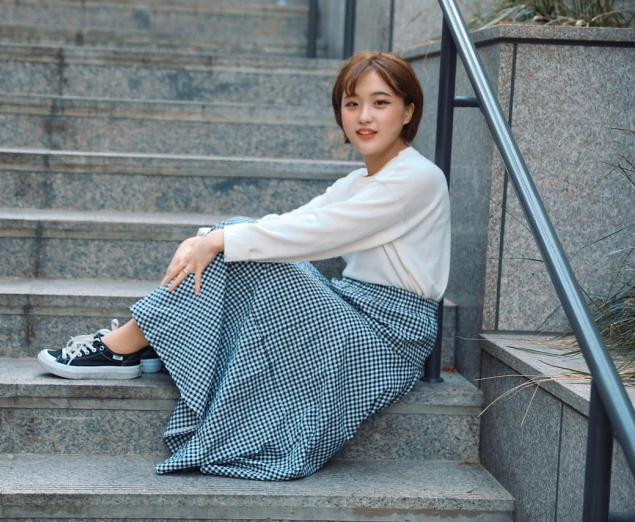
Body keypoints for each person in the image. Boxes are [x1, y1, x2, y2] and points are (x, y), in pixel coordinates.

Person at [37, 50, 451, 481]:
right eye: (351, 104)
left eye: (380, 102)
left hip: (386, 340)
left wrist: (219, 239)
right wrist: (206, 238)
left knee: (238, 241)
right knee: (236, 239)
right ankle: (142, 339)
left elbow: (315, 234)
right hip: (355, 308)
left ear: (408, 111)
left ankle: (124, 346)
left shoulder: (417, 178)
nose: (364, 115)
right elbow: (292, 222)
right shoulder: (358, 182)